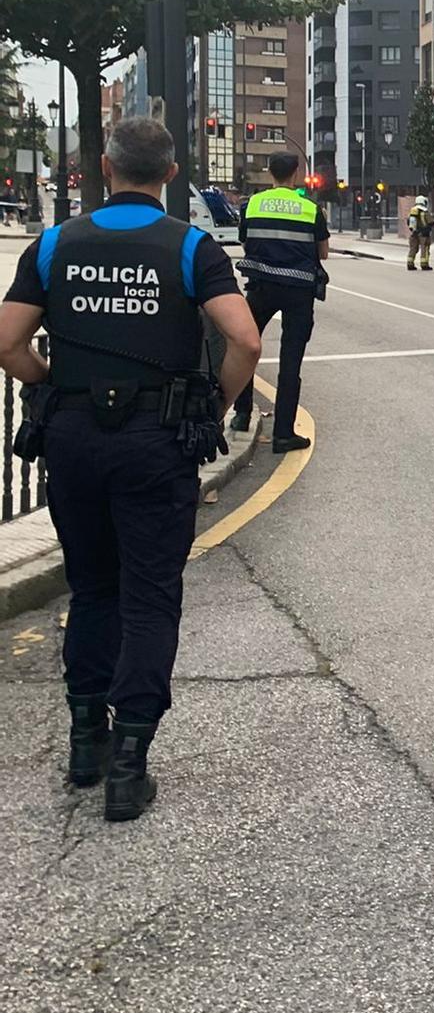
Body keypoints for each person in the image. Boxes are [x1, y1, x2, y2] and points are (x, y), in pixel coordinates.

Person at [0, 117, 260, 822]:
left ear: (103, 170)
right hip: (157, 439)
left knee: (92, 589)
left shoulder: (54, 244)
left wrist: (51, 382)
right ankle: (129, 762)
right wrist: (216, 402)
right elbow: (244, 338)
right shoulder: (191, 247)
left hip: (76, 436)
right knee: (149, 595)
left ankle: (86, 740)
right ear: (170, 174)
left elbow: (8, 343)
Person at [229, 153, 326, 453]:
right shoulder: (310, 209)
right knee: (290, 359)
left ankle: (242, 413)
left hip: (261, 287)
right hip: (298, 291)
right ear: (295, 174)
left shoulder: (252, 205)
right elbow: (322, 252)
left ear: (269, 173)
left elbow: (245, 241)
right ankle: (283, 433)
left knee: (245, 347)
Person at [406, 196, 434, 271]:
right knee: (424, 249)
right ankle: (424, 264)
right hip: (424, 234)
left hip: (414, 233)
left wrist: (414, 229)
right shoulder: (424, 211)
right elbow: (431, 222)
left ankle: (410, 263)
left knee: (413, 248)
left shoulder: (412, 211)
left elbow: (408, 222)